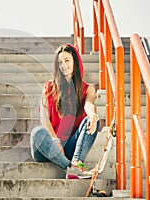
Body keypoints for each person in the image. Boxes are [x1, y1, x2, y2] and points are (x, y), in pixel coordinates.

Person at [30, 44, 100, 179]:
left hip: (70, 146)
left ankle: (76, 162)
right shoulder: (48, 87)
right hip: (48, 146)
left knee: (92, 120)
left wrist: (92, 115)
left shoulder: (87, 89)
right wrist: (55, 141)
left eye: (67, 60)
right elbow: (44, 118)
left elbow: (89, 104)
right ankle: (71, 168)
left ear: (75, 61)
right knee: (37, 132)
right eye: (60, 62)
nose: (63, 65)